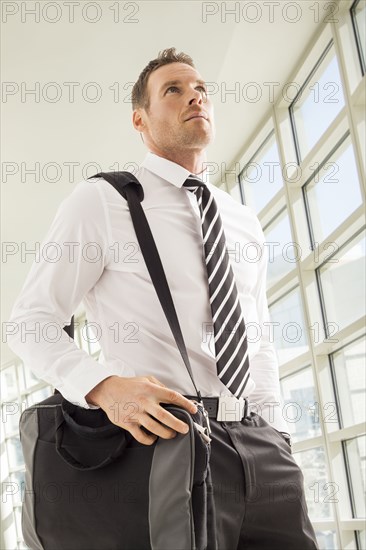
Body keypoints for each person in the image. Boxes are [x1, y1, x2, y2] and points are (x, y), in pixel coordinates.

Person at [8, 47, 318, 549]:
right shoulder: (103, 201)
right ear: (140, 119)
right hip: (168, 439)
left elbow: (255, 339)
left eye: (200, 88)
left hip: (261, 448)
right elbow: (30, 321)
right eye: (172, 89)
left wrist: (277, 435)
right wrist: (104, 387)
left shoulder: (242, 219)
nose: (194, 95)